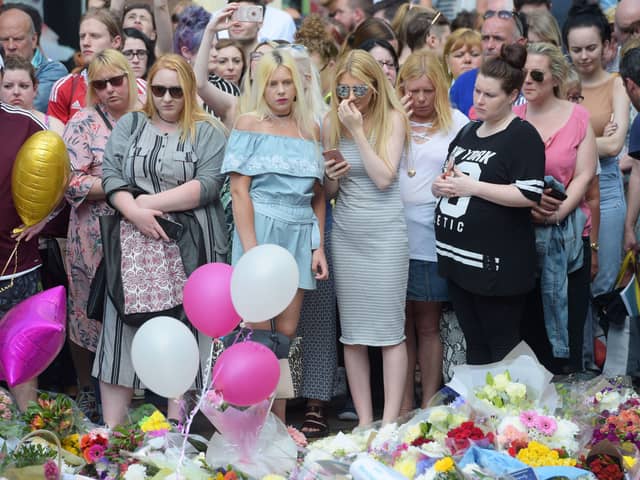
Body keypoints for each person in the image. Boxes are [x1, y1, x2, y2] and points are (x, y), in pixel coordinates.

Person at [94, 54, 228, 427]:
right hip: (134, 249)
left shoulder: (208, 130)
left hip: (191, 247)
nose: (167, 98)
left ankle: (175, 437)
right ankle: (112, 437)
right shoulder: (132, 124)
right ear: (148, 89)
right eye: (159, 89)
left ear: (189, 92)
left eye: (176, 91)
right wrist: (132, 211)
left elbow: (208, 185)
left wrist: (148, 203)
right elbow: (110, 176)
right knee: (120, 337)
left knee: (183, 337)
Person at [222, 49, 328, 422]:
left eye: (287, 83)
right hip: (260, 230)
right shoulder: (249, 123)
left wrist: (319, 247)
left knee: (285, 336)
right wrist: (252, 253)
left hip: (299, 234)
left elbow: (318, 194)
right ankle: (249, 420)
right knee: (256, 333)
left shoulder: (311, 128)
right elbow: (239, 191)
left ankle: (278, 423)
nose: (281, 91)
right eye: (273, 84)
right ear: (262, 87)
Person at [433, 44, 545, 365]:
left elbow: (528, 194)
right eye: (477, 92)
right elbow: (448, 177)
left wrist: (474, 187)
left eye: (489, 95)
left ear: (512, 96)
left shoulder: (522, 136)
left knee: (503, 348)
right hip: (459, 262)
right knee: (475, 347)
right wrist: (439, 185)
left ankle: (512, 414)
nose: (479, 100)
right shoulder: (467, 131)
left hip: (497, 267)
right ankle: (482, 414)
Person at [324, 49, 410, 425]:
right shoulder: (330, 121)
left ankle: (389, 420)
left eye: (358, 89)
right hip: (347, 233)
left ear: (375, 87)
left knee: (390, 330)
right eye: (342, 90)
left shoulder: (393, 118)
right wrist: (333, 175)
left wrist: (358, 131)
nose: (350, 98)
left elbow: (383, 177)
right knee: (353, 334)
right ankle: (363, 419)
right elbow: (327, 192)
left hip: (386, 232)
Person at [63, 49, 140, 422]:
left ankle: (133, 394)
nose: (110, 89)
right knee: (86, 316)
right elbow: (70, 181)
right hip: (93, 234)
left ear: (129, 77)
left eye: (116, 80)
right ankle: (88, 391)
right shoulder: (83, 123)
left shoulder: (149, 115)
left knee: (135, 313)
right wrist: (117, 187)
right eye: (100, 84)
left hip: (141, 233)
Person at [514, 42, 597, 373]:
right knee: (527, 331)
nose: (528, 81)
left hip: (570, 241)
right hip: (520, 239)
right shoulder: (512, 117)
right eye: (523, 74)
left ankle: (567, 417)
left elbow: (585, 174)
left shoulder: (578, 116)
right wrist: (527, 207)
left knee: (569, 330)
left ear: (555, 79)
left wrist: (558, 213)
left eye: (537, 74)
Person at [396, 50, 468, 411]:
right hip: (391, 233)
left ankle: (429, 401)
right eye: (414, 91)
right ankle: (403, 400)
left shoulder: (455, 122)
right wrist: (396, 120)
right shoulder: (392, 120)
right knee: (399, 325)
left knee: (427, 322)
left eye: (428, 91)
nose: (421, 99)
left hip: (431, 232)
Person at [564, 3, 630, 327]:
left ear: (606, 46)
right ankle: (584, 362)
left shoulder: (617, 83)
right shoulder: (562, 86)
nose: (584, 55)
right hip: (569, 185)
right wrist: (594, 141)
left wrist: (574, 140)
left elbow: (616, 145)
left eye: (591, 47)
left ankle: (607, 363)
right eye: (576, 49)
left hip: (606, 188)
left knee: (604, 278)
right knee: (574, 279)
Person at [0, 51, 48, 411]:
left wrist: (45, 217)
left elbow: (62, 176)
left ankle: (28, 436)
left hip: (17, 264)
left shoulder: (26, 124)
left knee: (21, 350)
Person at [47, 9, 123, 124]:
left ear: (116, 42)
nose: (85, 42)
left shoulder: (138, 88)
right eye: (82, 36)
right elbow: (55, 141)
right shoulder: (64, 88)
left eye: (94, 36)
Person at [449, 8, 526, 116]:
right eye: (485, 38)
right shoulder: (463, 83)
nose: (489, 46)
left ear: (519, 43)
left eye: (498, 38)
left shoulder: (532, 82)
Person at [0, 3, 67, 113]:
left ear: (34, 40)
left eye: (18, 39)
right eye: (4, 39)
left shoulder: (53, 70)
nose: (11, 46)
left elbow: (24, 110)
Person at [0, 55, 64, 135]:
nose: (16, 92)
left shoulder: (54, 126)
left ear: (35, 88)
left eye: (23, 86)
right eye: (8, 86)